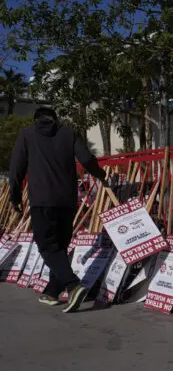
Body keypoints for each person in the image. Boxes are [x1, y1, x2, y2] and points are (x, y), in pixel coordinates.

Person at [9, 107, 109, 313]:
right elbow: (87, 159)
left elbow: (16, 168)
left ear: (36, 119)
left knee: (47, 246)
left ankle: (73, 286)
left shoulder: (27, 134)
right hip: (68, 201)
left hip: (42, 201)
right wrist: (101, 175)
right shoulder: (69, 133)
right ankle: (52, 292)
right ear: (55, 119)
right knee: (60, 247)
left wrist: (15, 197)